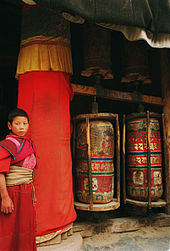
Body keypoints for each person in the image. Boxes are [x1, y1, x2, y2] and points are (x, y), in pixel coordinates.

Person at [0, 108, 37, 251]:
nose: (21, 127)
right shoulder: (7, 144)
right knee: (10, 230)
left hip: (26, 192)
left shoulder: (28, 143)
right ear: (9, 125)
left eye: (25, 123)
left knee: (25, 230)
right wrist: (4, 197)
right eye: (17, 123)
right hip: (12, 192)